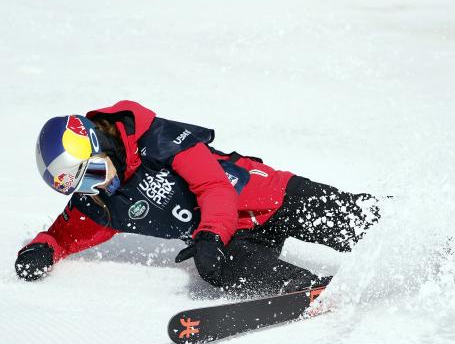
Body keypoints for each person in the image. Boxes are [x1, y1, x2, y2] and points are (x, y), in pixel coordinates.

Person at [15, 100, 380, 295]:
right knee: (217, 267)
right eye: (80, 186)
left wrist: (209, 236)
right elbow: (63, 234)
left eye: (93, 173)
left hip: (273, 197)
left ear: (102, 146)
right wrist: (41, 248)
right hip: (236, 237)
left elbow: (214, 187)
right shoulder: (99, 200)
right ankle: (312, 290)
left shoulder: (155, 138)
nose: (93, 188)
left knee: (361, 224)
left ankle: (425, 233)